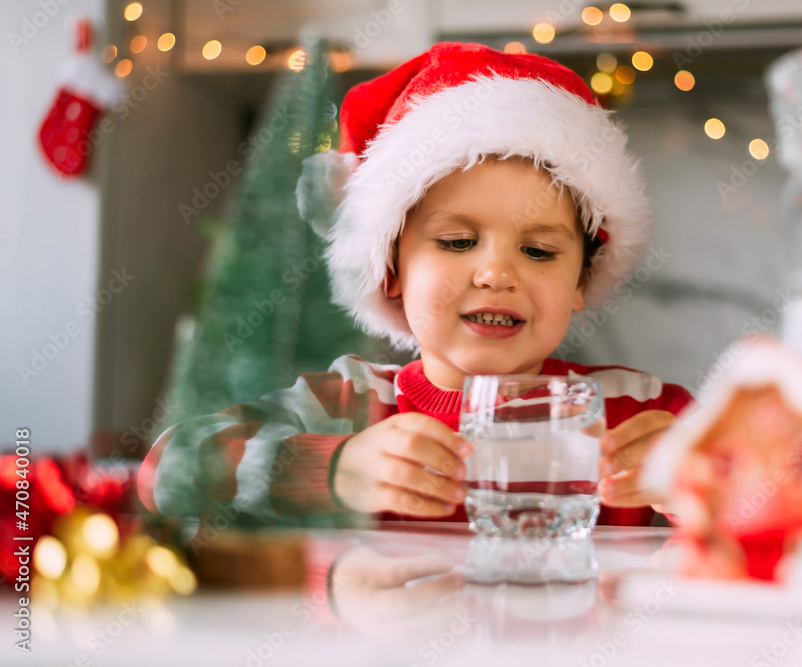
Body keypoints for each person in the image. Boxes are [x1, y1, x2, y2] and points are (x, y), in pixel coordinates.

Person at [138, 42, 693, 527]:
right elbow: (168, 469)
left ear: (581, 279)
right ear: (391, 269)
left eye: (539, 251)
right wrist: (336, 468)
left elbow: (773, 492)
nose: (497, 273)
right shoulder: (349, 403)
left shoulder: (636, 410)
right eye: (456, 242)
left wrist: (695, 483)